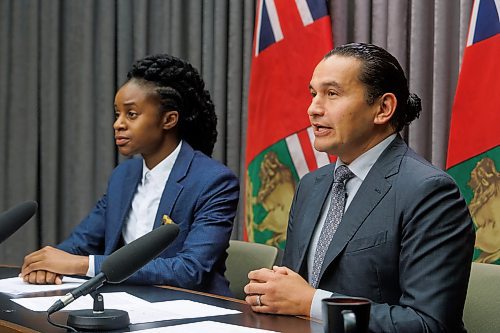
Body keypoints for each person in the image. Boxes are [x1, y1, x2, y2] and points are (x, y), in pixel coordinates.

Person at [244, 43, 475, 332]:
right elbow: (294, 290)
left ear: (383, 108)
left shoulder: (428, 192)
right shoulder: (311, 185)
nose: (313, 109)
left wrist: (313, 303)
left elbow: (427, 324)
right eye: (313, 94)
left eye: (332, 94)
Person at [21, 54, 239, 297]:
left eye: (131, 114)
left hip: (196, 311)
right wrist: (49, 264)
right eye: (117, 114)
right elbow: (81, 242)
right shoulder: (123, 176)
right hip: (132, 304)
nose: (118, 124)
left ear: (169, 119)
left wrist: (82, 265)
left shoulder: (214, 181)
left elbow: (190, 270)